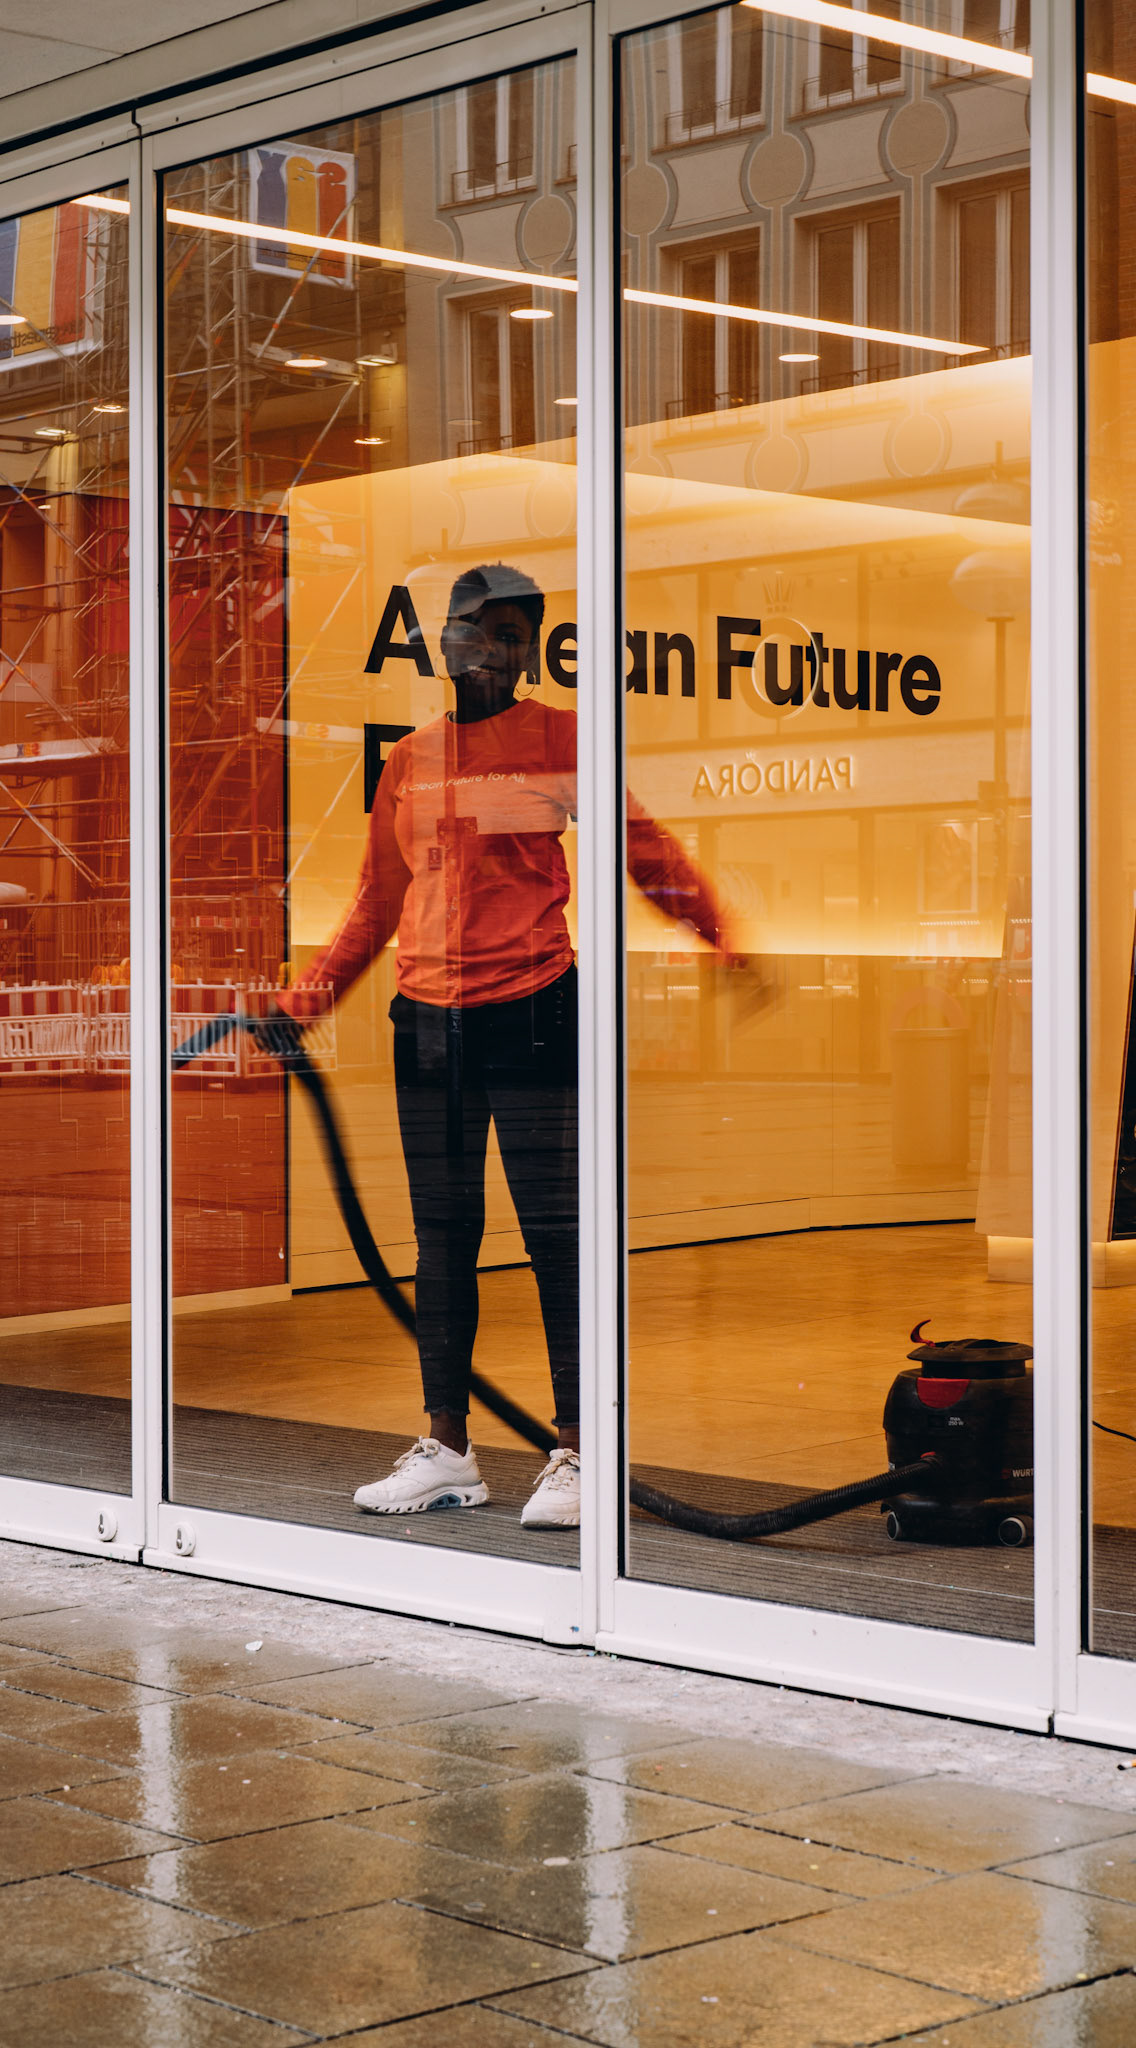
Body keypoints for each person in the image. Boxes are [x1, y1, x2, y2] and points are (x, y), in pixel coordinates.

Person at [282, 563, 740, 1529]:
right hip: (426, 1025)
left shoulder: (561, 738)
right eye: (479, 630)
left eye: (514, 635)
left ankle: (578, 1450)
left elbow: (641, 847)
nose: (494, 648)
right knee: (442, 1240)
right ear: (445, 642)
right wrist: (307, 997)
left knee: (555, 1237)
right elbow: (375, 900)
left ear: (530, 653)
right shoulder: (409, 760)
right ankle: (447, 1448)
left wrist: (719, 934)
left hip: (533, 1008)